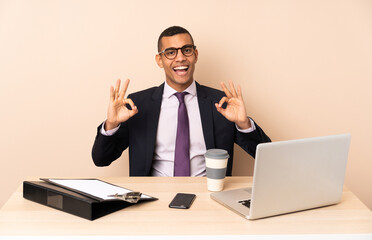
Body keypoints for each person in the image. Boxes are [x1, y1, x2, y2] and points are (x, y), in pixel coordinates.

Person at [92, 26, 270, 177]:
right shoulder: (137, 104)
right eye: (170, 52)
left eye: (187, 50)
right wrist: (111, 125)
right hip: (154, 200)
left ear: (195, 55)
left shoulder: (222, 104)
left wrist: (243, 123)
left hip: (209, 198)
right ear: (159, 60)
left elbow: (267, 156)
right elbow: (101, 159)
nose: (180, 58)